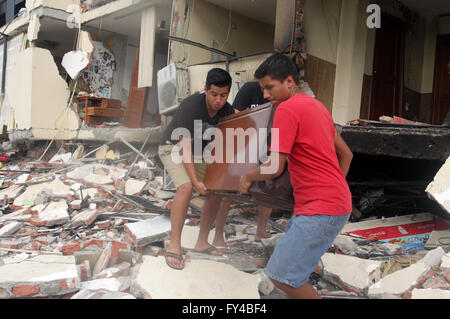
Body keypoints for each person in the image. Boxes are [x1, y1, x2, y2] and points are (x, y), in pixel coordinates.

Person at [239, 54, 353, 299]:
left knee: (281, 275)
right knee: (292, 276)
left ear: (290, 82)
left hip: (320, 209)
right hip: (333, 204)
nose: (266, 95)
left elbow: (274, 168)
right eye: (263, 89)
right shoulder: (318, 106)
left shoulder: (286, 109)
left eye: (270, 88)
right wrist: (333, 190)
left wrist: (248, 177)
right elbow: (347, 155)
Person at [158, 68, 235, 270]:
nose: (219, 100)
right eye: (214, 94)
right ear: (205, 90)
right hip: (173, 147)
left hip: (201, 153)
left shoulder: (227, 111)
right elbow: (185, 149)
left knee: (216, 191)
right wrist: (196, 182)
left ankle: (202, 242)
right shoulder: (191, 106)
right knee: (186, 187)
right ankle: (174, 244)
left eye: (223, 95)